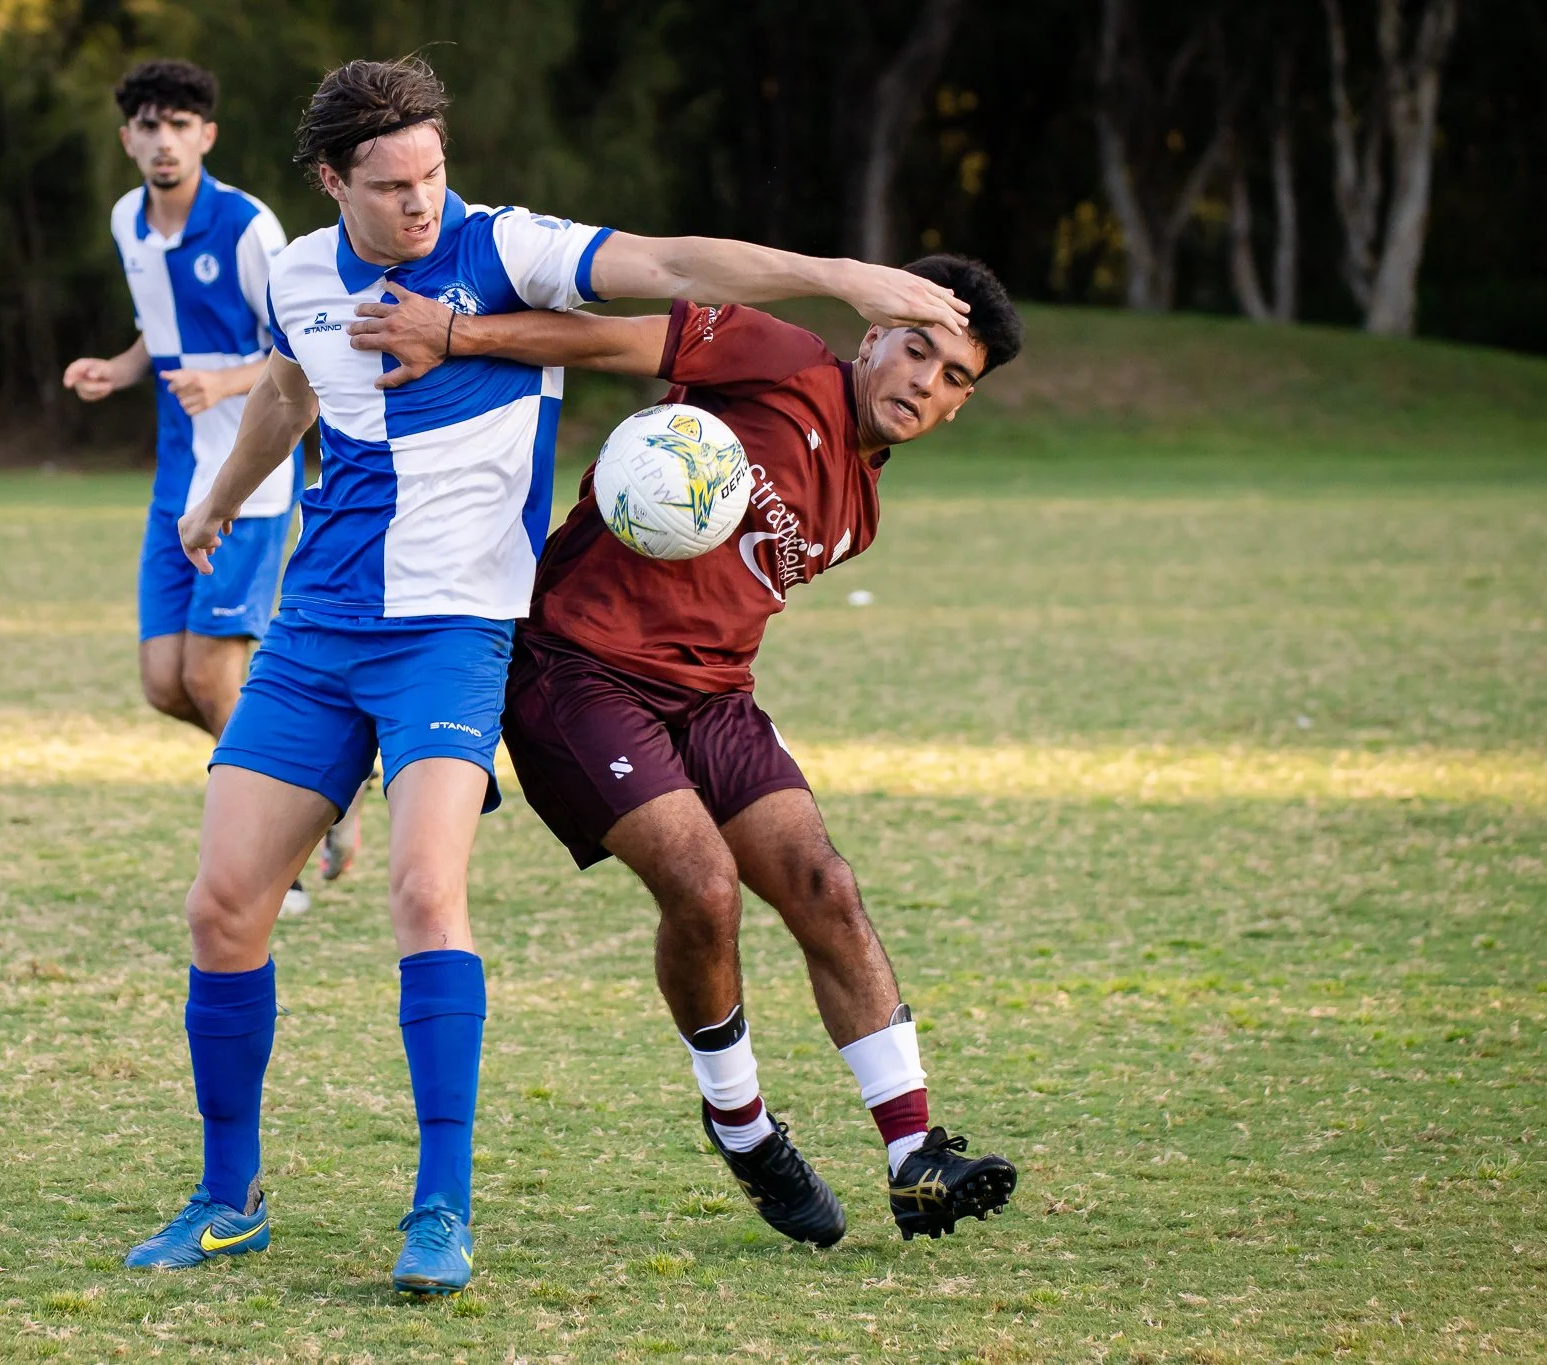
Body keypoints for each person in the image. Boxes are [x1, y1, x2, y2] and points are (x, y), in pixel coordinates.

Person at [121, 55, 971, 1294]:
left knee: (424, 897)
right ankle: (225, 1197)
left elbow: (677, 267)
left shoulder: (506, 249)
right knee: (220, 910)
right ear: (330, 182)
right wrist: (220, 498)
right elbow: (297, 384)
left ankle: (439, 1212)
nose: (421, 204)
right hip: (318, 630)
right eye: (391, 185)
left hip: (454, 633)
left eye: (433, 173)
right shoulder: (295, 269)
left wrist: (837, 276)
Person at [345, 254, 1023, 1245]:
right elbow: (608, 339)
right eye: (915, 349)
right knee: (702, 885)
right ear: (871, 335)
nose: (924, 381)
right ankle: (741, 1124)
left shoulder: (860, 515)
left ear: (960, 405)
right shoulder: (778, 357)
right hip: (575, 669)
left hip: (712, 694)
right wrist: (455, 335)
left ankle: (912, 1153)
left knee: (822, 883)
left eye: (952, 376)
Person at [59, 59, 317, 913]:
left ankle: (272, 857)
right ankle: (319, 784)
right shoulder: (128, 221)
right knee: (163, 685)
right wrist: (119, 368)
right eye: (148, 125)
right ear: (128, 138)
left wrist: (226, 383)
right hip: (175, 483)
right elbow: (157, 332)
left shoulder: (248, 227)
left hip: (248, 481)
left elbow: (299, 350)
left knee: (211, 678)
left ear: (206, 135)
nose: (163, 141)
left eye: (180, 125)